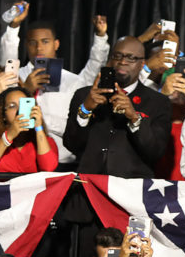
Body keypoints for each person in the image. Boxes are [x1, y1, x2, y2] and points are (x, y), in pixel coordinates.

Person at [0, 11, 111, 165]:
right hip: (24, 162)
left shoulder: (72, 81)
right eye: (33, 42)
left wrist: (100, 38)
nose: (39, 48)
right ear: (26, 45)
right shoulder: (16, 76)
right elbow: (7, 57)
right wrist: (26, 90)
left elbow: (95, 67)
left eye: (45, 42)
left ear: (56, 44)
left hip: (63, 162)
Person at [63, 36, 172, 177]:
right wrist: (85, 110)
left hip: (130, 191)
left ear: (142, 64)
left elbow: (155, 152)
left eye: (131, 58)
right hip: (88, 186)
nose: (122, 62)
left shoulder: (158, 102)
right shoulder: (84, 95)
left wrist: (134, 118)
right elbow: (71, 144)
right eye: (117, 56)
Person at [0, 87, 58, 172]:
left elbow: (49, 168)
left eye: (24, 105)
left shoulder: (45, 141)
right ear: (3, 115)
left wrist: (39, 128)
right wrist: (8, 136)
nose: (19, 111)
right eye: (12, 106)